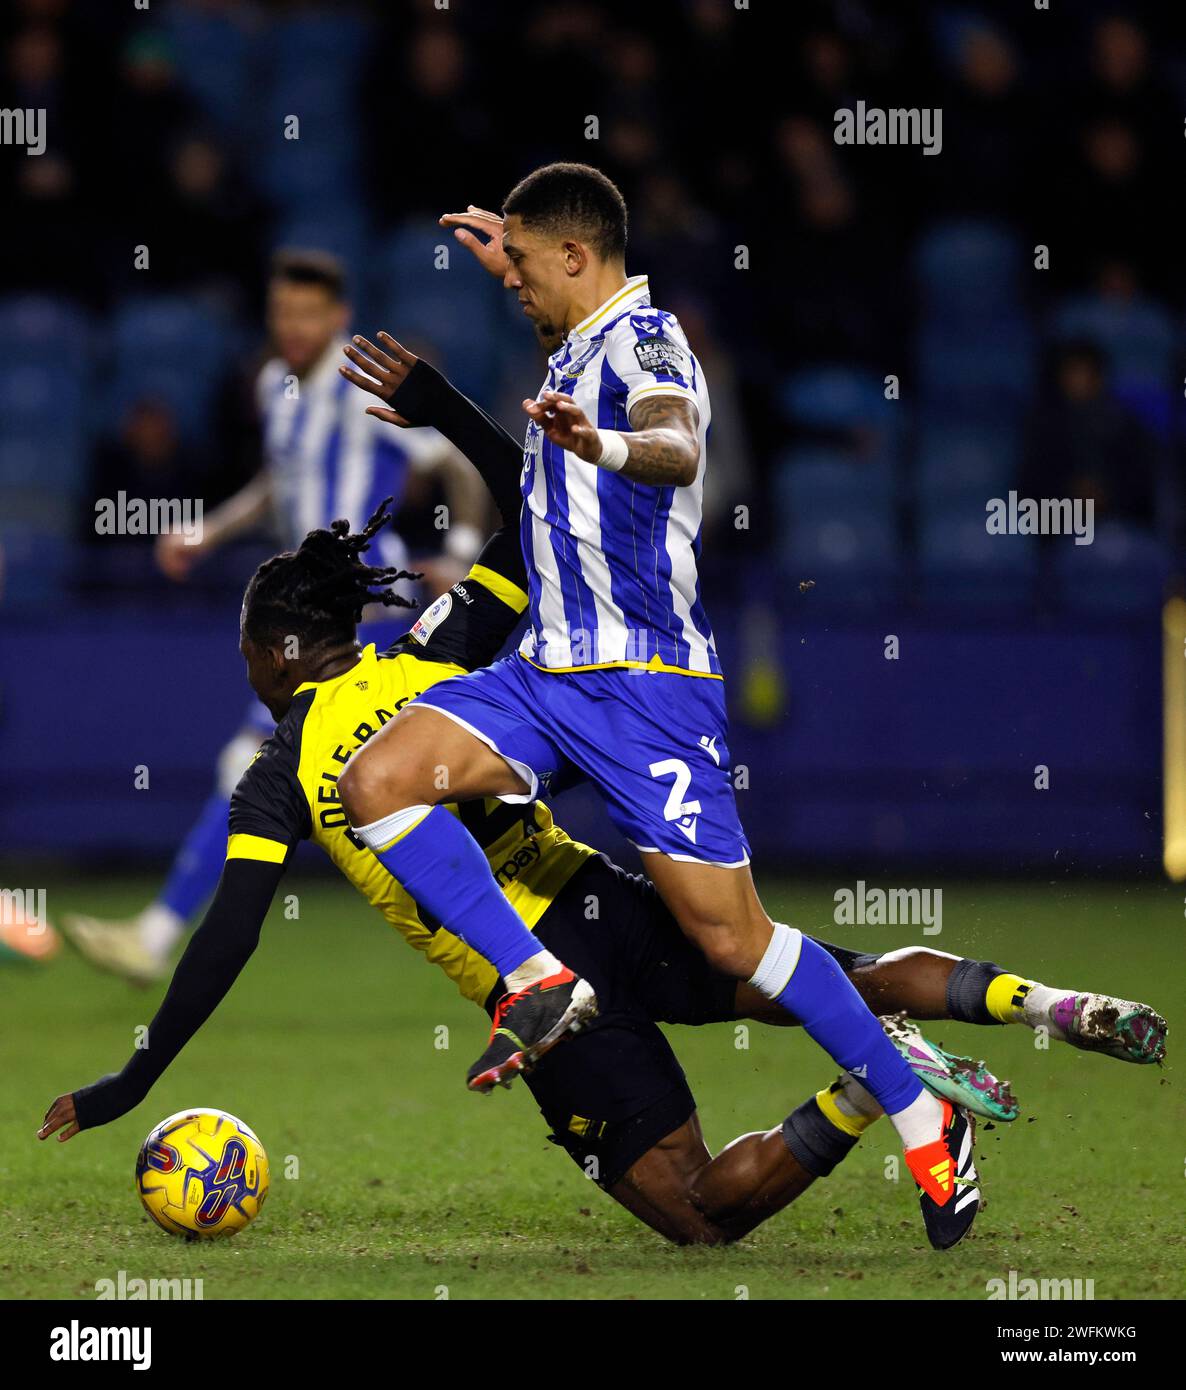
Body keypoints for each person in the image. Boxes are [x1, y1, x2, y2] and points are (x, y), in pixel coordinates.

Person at [330, 165, 982, 1238]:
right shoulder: (572, 344)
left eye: (528, 269)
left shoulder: (645, 344)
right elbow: (551, 356)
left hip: (645, 691)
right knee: (380, 782)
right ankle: (539, 979)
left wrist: (608, 445)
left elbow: (678, 444)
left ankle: (919, 1117)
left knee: (734, 942)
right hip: (543, 679)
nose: (515, 288)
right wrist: (518, 257)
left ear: (579, 258)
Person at [60, 249, 485, 984]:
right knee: (374, 782)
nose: (293, 326)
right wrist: (209, 529)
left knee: (291, 771)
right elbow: (275, 482)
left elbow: (457, 461)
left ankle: (158, 937)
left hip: (362, 614)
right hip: (306, 621)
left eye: (308, 314)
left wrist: (464, 549)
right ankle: (517, 939)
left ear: (338, 318)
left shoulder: (363, 386)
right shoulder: (274, 386)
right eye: (283, 312)